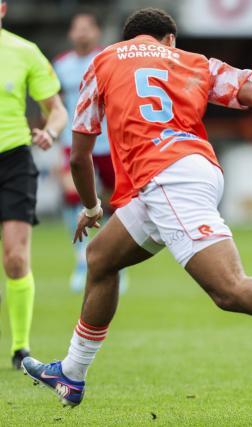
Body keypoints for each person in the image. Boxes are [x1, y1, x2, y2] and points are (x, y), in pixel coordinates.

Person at [22, 8, 252, 407]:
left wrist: (89, 207)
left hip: (167, 179)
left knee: (229, 289)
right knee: (101, 258)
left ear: (127, 39)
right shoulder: (194, 62)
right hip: (190, 171)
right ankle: (72, 374)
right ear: (169, 39)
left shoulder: (101, 61)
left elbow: (78, 155)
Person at [0, 0, 68, 369]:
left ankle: (20, 347)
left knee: (15, 258)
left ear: (3, 9)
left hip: (13, 159)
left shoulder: (24, 52)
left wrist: (51, 132)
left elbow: (56, 109)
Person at [53, 12, 128, 293]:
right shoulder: (60, 66)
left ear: (96, 32)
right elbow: (54, 103)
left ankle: (114, 260)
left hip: (108, 142)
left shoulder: (107, 59)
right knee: (76, 199)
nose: (82, 34)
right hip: (74, 143)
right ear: (71, 34)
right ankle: (82, 260)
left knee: (115, 202)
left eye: (87, 28)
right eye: (77, 29)